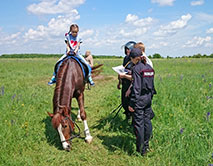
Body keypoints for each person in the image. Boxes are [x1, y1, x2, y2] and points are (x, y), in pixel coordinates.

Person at [127, 48, 156, 156]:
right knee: (147, 121)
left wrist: (132, 103)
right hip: (148, 97)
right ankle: (146, 145)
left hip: (139, 99)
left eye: (131, 59)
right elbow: (152, 86)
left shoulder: (136, 69)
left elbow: (137, 88)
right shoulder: (149, 67)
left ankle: (140, 149)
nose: (131, 61)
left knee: (138, 124)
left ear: (135, 58)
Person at [117, 41, 136, 121]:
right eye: (126, 49)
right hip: (125, 83)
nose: (127, 51)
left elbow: (135, 76)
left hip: (131, 84)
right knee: (124, 103)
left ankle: (133, 120)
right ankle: (127, 116)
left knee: (131, 104)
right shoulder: (126, 59)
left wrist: (126, 75)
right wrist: (119, 82)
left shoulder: (135, 60)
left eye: (128, 49)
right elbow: (123, 70)